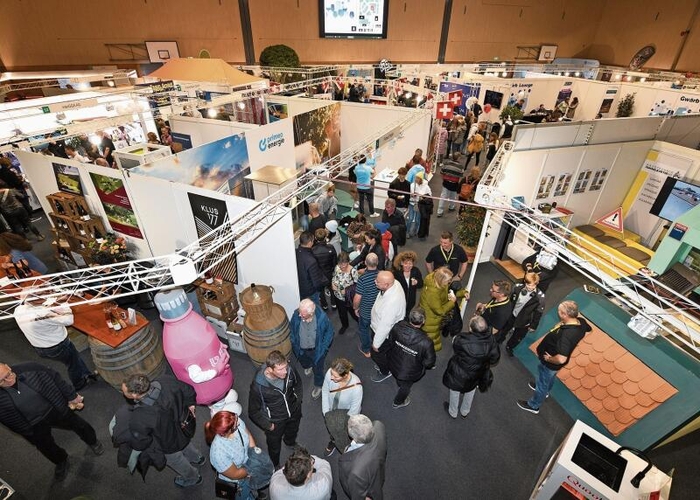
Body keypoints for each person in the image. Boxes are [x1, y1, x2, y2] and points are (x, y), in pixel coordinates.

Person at [0, 362, 104, 482]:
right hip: (32, 424)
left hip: (54, 408)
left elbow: (55, 377)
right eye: (2, 381)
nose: (9, 380)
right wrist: (22, 430)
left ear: (8, 367)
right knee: (45, 446)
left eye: (8, 374)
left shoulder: (31, 368)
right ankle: (61, 460)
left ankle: (93, 441)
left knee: (78, 424)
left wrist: (72, 396)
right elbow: (4, 418)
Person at [120, 373, 204, 488]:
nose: (123, 393)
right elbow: (189, 390)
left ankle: (193, 477)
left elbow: (141, 442)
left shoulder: (139, 417)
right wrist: (191, 405)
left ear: (135, 394)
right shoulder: (165, 380)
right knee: (186, 443)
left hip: (167, 443)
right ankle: (198, 458)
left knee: (176, 459)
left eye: (124, 391)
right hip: (183, 427)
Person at [517, 300, 591, 414]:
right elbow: (588, 329)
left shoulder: (567, 335)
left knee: (543, 382)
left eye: (559, 311)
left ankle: (534, 405)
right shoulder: (581, 322)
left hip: (551, 363)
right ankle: (545, 391)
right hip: (551, 364)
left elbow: (561, 359)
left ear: (565, 315)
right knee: (548, 378)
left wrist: (549, 359)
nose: (558, 313)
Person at [14, 292, 97, 391]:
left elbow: (41, 307)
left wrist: (55, 301)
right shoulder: (44, 315)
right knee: (72, 364)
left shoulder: (19, 310)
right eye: (41, 296)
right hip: (58, 346)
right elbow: (69, 320)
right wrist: (65, 304)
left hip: (41, 347)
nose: (44, 296)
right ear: (37, 300)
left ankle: (86, 374)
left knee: (74, 359)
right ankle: (79, 383)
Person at [248, 350, 303, 468]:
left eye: (285, 367)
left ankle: (290, 442)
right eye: (280, 369)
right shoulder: (258, 387)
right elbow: (253, 412)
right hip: (275, 421)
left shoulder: (290, 369)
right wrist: (268, 425)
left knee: (293, 431)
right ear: (270, 369)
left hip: (293, 411)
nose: (285, 371)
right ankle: (275, 463)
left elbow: (298, 384)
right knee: (274, 446)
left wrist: (298, 402)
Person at [442, 315, 500, 419]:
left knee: (455, 390)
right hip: (477, 373)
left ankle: (453, 412)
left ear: (471, 328)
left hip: (460, 371)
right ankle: (465, 411)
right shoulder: (492, 340)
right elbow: (495, 359)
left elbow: (455, 347)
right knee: (471, 390)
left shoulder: (462, 339)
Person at [206, 410, 261, 500]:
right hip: (239, 481)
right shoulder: (218, 453)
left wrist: (254, 455)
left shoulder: (234, 420)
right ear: (226, 432)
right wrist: (252, 469)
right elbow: (235, 474)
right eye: (236, 424)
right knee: (243, 495)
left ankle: (253, 493)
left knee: (253, 488)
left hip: (248, 467)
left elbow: (249, 436)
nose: (238, 422)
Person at [386, 308, 436, 409]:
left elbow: (390, 342)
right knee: (405, 387)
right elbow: (429, 363)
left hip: (393, 363)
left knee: (400, 379)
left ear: (409, 318)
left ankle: (399, 382)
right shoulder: (426, 342)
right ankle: (398, 402)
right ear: (423, 321)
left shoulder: (397, 327)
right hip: (410, 372)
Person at [289, 299, 335, 401]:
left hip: (316, 351)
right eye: (299, 312)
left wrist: (323, 348)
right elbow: (291, 328)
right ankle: (308, 366)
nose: (299, 315)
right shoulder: (297, 314)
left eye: (303, 314)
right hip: (301, 349)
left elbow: (330, 332)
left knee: (318, 368)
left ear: (311, 313)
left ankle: (319, 385)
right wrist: (293, 341)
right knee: (304, 361)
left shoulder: (322, 318)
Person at [338, 415, 387, 500]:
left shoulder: (355, 471)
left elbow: (357, 495)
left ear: (351, 435)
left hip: (369, 488)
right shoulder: (378, 425)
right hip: (377, 473)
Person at [321, 357, 363, 456]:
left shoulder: (357, 388)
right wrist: (326, 413)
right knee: (332, 429)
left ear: (346, 375)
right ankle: (333, 440)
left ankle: (345, 445)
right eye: (331, 374)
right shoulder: (330, 372)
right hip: (331, 410)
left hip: (346, 415)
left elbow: (354, 411)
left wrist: (341, 425)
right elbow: (325, 390)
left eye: (335, 377)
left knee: (344, 433)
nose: (331, 377)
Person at [369, 271, 406, 383]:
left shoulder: (392, 303)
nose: (375, 281)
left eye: (378, 281)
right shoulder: (394, 283)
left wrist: (376, 344)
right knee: (387, 352)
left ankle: (385, 371)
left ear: (386, 285)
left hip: (384, 334)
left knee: (376, 354)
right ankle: (386, 362)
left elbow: (385, 326)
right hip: (382, 327)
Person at [419, 266, 466, 352]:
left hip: (435, 318)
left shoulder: (439, 283)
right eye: (448, 281)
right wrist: (452, 302)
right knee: (430, 343)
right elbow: (440, 311)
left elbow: (448, 293)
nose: (450, 282)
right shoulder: (432, 293)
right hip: (430, 321)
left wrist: (463, 293)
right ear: (442, 280)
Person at [500, 272, 546, 356]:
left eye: (532, 285)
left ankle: (510, 347)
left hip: (525, 320)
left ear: (536, 284)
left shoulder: (540, 298)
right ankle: (499, 339)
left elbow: (538, 313)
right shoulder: (517, 288)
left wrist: (533, 326)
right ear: (525, 281)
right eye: (528, 284)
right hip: (512, 314)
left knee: (518, 337)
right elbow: (510, 300)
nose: (530, 287)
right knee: (504, 328)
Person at [353, 253, 380, 358]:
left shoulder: (362, 279)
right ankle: (377, 345)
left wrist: (355, 308)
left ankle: (366, 350)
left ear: (365, 263)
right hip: (378, 311)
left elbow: (357, 298)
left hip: (365, 311)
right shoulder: (381, 276)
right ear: (377, 263)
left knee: (364, 330)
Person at [296, 231, 328, 305]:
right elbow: (316, 282)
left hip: (300, 288)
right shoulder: (311, 261)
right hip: (310, 293)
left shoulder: (295, 252)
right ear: (310, 242)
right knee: (313, 311)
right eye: (313, 240)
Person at [331, 251, 359, 335]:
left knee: (353, 312)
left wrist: (346, 291)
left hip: (348, 297)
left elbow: (357, 286)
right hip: (338, 296)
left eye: (344, 264)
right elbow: (334, 277)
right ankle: (344, 325)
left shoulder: (353, 271)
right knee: (342, 313)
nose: (342, 266)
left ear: (348, 262)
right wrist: (332, 283)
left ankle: (361, 323)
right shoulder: (337, 267)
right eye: (340, 264)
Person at [312, 228, 338, 311]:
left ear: (315, 238)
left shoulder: (313, 250)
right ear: (325, 236)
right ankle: (334, 304)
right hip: (329, 273)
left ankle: (324, 305)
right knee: (332, 288)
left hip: (319, 274)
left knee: (321, 291)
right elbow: (335, 261)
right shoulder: (331, 247)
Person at [392, 250, 423, 318]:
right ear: (401, 263)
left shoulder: (416, 271)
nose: (408, 266)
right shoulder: (397, 273)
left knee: (407, 313)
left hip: (411, 300)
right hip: (399, 299)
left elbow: (421, 284)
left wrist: (417, 282)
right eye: (406, 263)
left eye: (410, 263)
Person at [436, 152, 464, 217]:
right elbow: (461, 175)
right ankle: (451, 206)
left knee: (443, 197)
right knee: (453, 196)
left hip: (446, 183)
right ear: (458, 158)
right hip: (454, 184)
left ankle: (439, 211)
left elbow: (441, 172)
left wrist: (444, 179)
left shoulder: (446, 164)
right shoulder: (460, 167)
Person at [407, 172, 431, 239]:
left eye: (417, 178)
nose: (416, 179)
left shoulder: (426, 187)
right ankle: (407, 232)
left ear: (421, 179)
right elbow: (410, 193)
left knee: (417, 220)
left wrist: (422, 196)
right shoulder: (412, 185)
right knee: (410, 219)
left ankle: (415, 232)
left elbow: (429, 195)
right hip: (412, 204)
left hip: (420, 205)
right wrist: (412, 195)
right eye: (416, 178)